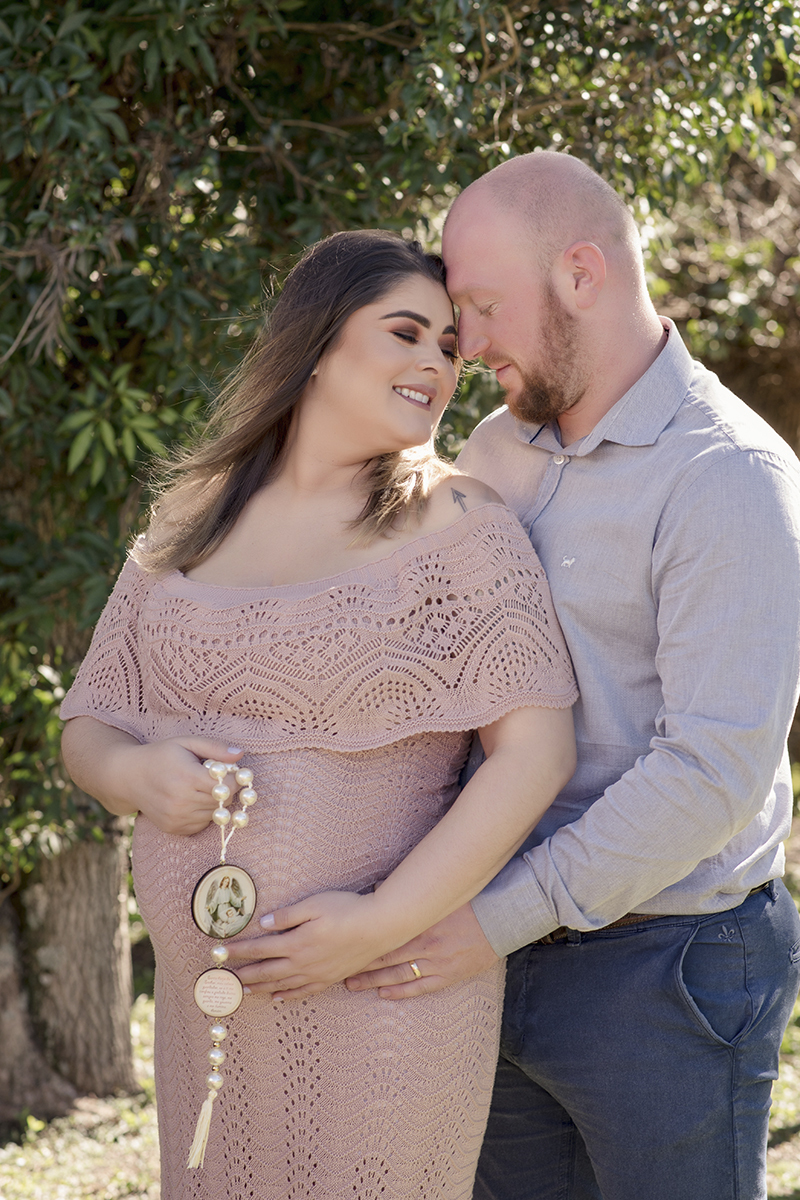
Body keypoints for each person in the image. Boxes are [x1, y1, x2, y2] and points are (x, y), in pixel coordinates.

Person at [59, 230, 578, 1200]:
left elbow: (534, 752)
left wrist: (378, 922)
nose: (434, 362)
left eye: (449, 347)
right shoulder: (190, 521)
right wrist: (135, 775)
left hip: (380, 986)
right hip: (203, 1009)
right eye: (405, 332)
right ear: (315, 338)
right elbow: (89, 722)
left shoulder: (456, 525)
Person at [336, 154, 800, 1200]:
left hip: (663, 967)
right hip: (493, 944)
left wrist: (486, 922)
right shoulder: (498, 451)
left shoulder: (724, 478)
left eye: (482, 309)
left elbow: (710, 772)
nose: (470, 345)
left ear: (581, 274)